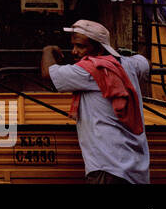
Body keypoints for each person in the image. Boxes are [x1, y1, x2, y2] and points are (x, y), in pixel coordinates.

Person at [41, 19, 150, 184]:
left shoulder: (89, 71)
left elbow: (48, 73)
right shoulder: (128, 64)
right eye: (74, 46)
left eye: (81, 46)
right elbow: (146, 63)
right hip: (135, 168)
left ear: (99, 48)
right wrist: (120, 54)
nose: (74, 52)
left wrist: (48, 51)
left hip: (107, 169)